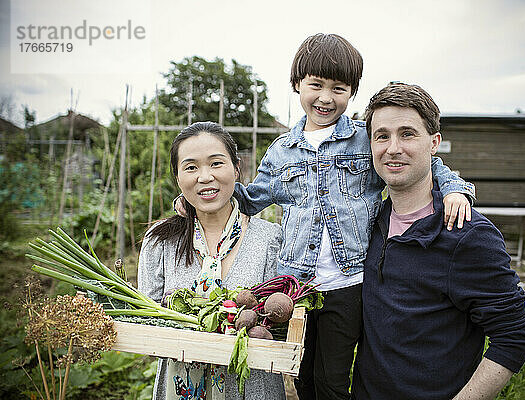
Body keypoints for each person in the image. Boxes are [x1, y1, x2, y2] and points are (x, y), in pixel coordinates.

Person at [175, 34, 475, 400]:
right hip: (295, 286)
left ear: (352, 92)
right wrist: (198, 194)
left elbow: (431, 161)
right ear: (297, 85)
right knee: (300, 375)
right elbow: (250, 198)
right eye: (315, 85)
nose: (326, 98)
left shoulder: (363, 141)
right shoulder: (283, 150)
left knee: (332, 380)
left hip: (348, 284)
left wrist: (456, 189)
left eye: (339, 88)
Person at [351, 83, 525, 400]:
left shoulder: (467, 234)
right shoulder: (368, 224)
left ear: (434, 143)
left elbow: (512, 337)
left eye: (407, 134)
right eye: (382, 136)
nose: (393, 147)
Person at [138, 122, 286, 400]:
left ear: (236, 168)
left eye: (216, 163)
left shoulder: (271, 239)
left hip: (252, 388)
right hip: (178, 386)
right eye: (191, 167)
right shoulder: (160, 242)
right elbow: (148, 325)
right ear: (178, 177)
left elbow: (280, 329)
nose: (205, 177)